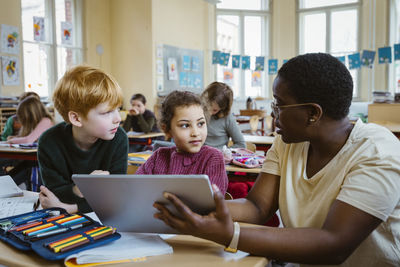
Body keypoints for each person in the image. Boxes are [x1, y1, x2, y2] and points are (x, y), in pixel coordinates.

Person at [152, 53, 400, 266]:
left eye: (279, 105)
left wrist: (229, 234)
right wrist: (193, 206)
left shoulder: (377, 151)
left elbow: (334, 244)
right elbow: (257, 207)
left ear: (313, 113)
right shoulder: (288, 141)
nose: (273, 113)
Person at [37, 65, 128, 214]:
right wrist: (82, 188)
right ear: (76, 118)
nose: (118, 119)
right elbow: (54, 195)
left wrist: (71, 208)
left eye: (118, 108)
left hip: (101, 220)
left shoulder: (118, 137)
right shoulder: (49, 142)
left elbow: (115, 200)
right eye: (107, 112)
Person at [136, 90, 228, 195]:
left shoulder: (213, 157)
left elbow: (211, 203)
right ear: (167, 130)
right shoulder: (159, 156)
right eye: (185, 125)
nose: (195, 133)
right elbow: (135, 189)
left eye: (201, 123)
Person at [4, 96, 54, 188]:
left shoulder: (46, 121)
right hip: (33, 161)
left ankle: (5, 186)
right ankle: (4, 184)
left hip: (44, 163)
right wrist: (15, 138)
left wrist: (11, 141)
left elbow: (28, 140)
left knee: (24, 169)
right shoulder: (38, 123)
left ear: (30, 114)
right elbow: (28, 137)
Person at [201, 82, 245, 150]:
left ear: (223, 109)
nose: (209, 112)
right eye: (207, 107)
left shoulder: (227, 118)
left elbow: (241, 144)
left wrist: (223, 153)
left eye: (215, 110)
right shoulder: (197, 112)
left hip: (218, 157)